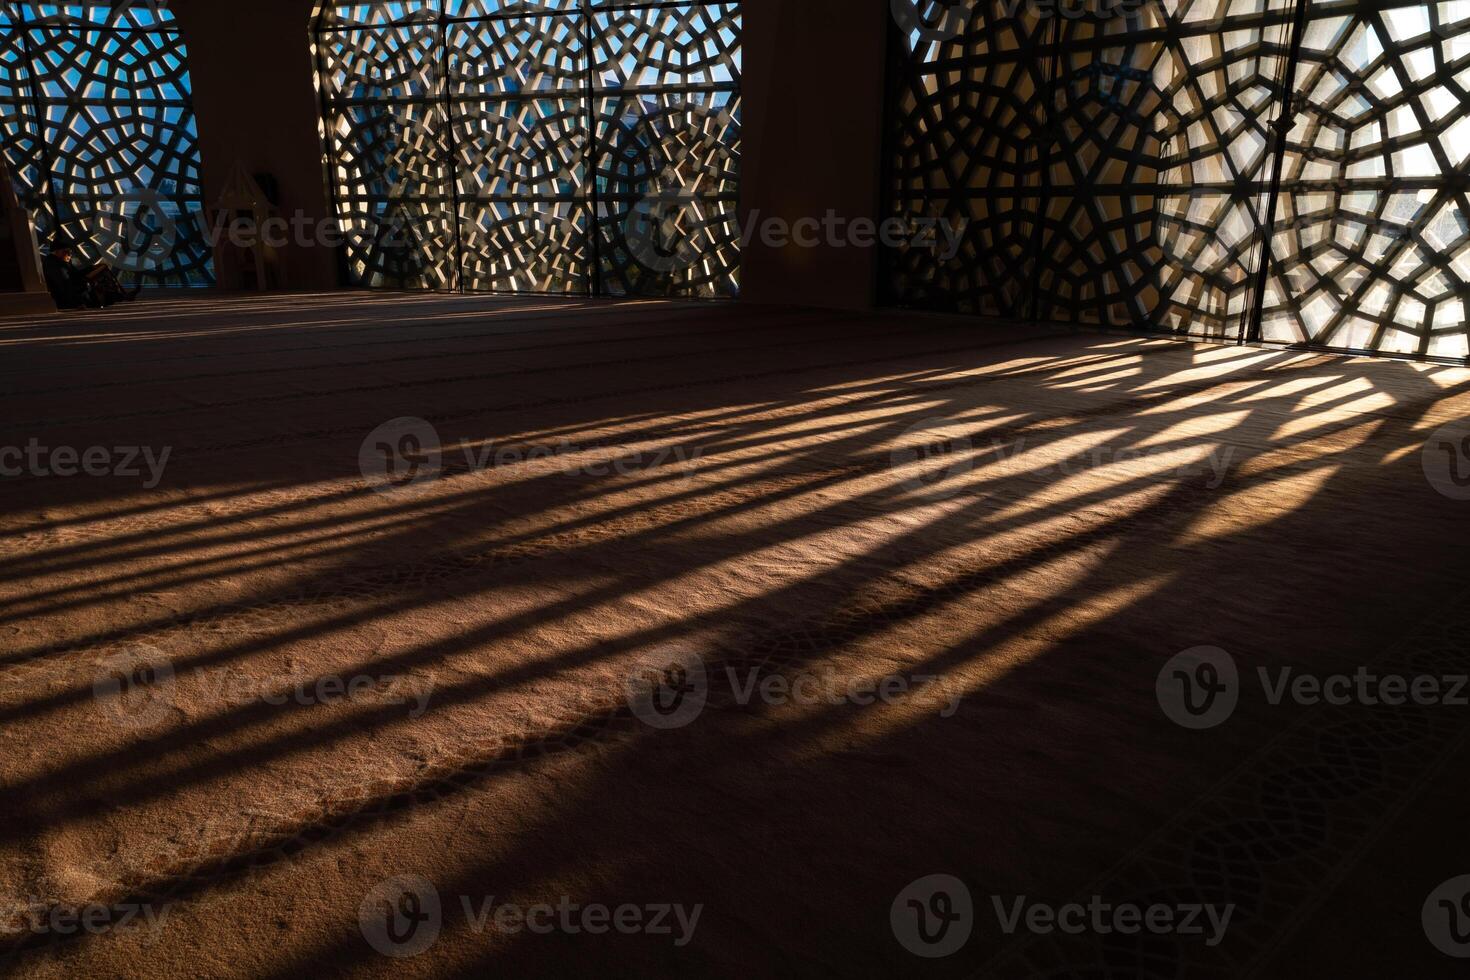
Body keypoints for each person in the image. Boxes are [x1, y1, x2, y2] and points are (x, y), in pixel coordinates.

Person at [41, 241, 100, 309]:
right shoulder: (55, 265)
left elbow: (74, 276)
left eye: (70, 252)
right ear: (57, 252)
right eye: (66, 251)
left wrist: (91, 268)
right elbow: (66, 285)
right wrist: (78, 303)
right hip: (69, 303)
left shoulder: (59, 262)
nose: (70, 254)